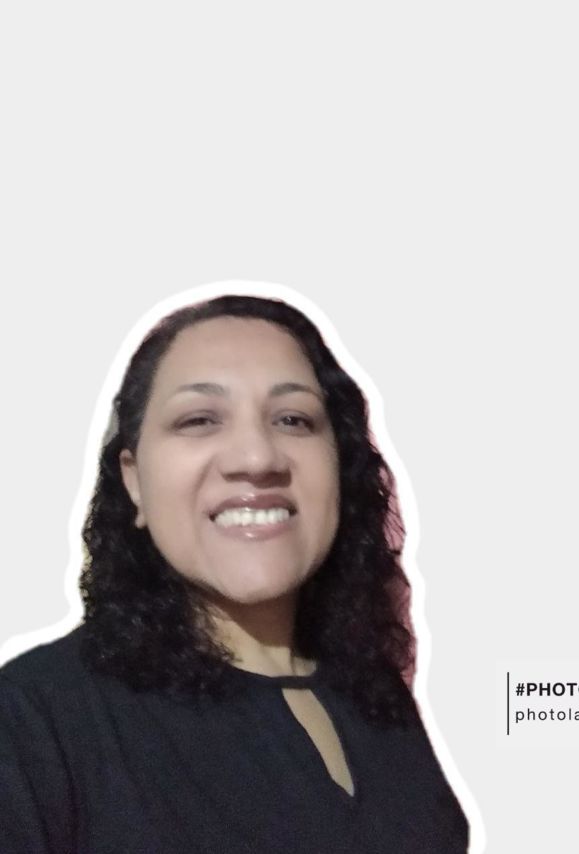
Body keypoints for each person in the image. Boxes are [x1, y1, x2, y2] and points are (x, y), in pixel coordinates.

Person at [0, 294, 469, 853]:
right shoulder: (33, 721)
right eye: (199, 420)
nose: (256, 457)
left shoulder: (377, 698)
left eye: (293, 419)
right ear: (134, 481)